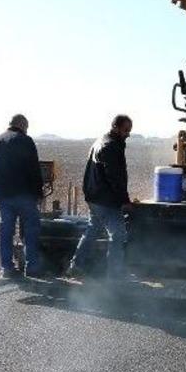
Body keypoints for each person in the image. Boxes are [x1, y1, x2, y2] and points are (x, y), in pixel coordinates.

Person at [66, 115, 134, 280]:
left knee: (92, 230)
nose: (128, 134)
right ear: (115, 127)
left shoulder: (100, 142)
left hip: (94, 197)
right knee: (118, 234)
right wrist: (124, 201)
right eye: (126, 130)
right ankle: (115, 274)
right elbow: (115, 177)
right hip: (106, 199)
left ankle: (76, 266)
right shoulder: (111, 146)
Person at [0, 114, 44, 278]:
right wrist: (39, 192)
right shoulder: (25, 140)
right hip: (23, 194)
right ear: (23, 125)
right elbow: (34, 168)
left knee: (6, 230)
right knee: (31, 229)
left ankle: (7, 268)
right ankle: (32, 267)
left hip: (2, 195)